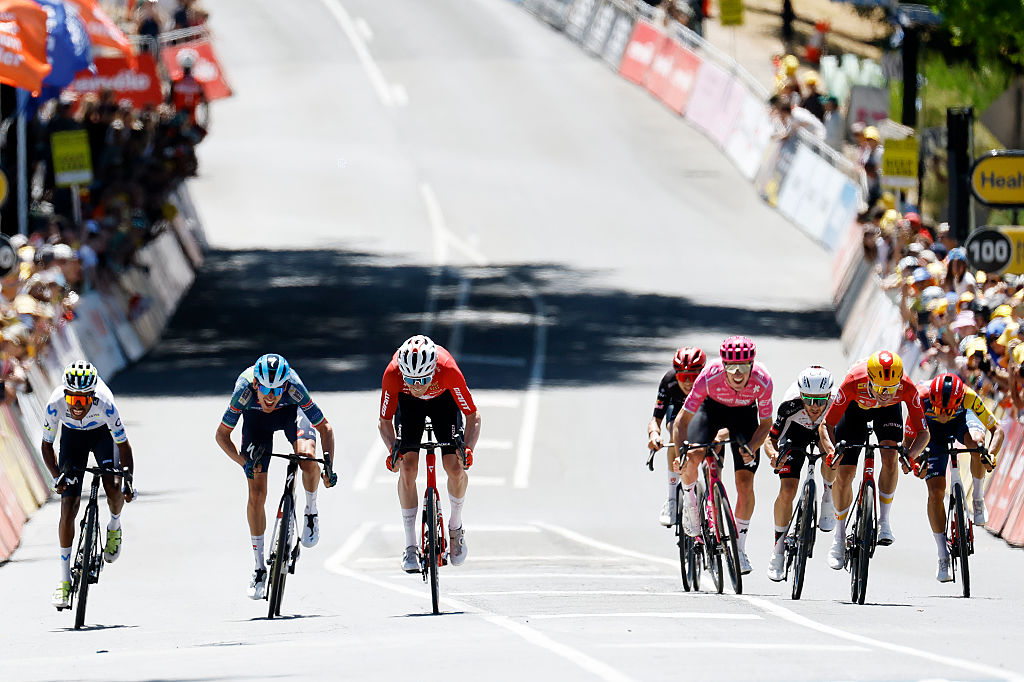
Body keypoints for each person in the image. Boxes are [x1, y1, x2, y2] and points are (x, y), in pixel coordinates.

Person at [215, 353, 337, 600]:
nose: (271, 397)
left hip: (291, 415)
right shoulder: (244, 390)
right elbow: (221, 436)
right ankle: (259, 569)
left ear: (285, 385)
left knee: (306, 456)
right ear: (256, 385)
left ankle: (311, 511)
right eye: (266, 391)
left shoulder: (294, 387)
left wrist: (328, 467)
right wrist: (243, 463)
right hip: (256, 423)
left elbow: (325, 428)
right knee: (257, 491)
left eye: (277, 390)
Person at [670, 336, 773, 574]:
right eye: (732, 367)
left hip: (745, 416)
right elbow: (681, 422)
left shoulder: (763, 380)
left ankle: (738, 549)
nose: (738, 374)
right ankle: (690, 504)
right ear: (723, 365)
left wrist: (752, 448)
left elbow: (766, 424)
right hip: (711, 411)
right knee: (693, 455)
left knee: (745, 482)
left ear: (752, 364)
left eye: (744, 367)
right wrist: (680, 453)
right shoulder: (709, 375)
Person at [819, 351, 930, 570]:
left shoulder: (906, 387)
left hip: (887, 415)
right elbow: (826, 425)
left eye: (891, 389)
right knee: (845, 474)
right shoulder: (853, 381)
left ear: (899, 382)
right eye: (880, 389)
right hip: (854, 412)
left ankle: (884, 522)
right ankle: (839, 537)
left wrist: (911, 455)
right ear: (870, 380)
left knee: (890, 457)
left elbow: (923, 433)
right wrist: (831, 452)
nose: (885, 394)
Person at [378, 335, 481, 573]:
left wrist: (468, 449)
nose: (417, 386)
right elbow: (384, 421)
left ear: (432, 370)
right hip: (409, 407)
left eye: (423, 379)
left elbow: (473, 416)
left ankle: (455, 528)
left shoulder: (447, 368)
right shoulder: (393, 373)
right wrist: (393, 450)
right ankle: (410, 545)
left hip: (443, 402)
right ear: (402, 372)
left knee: (454, 467)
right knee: (407, 467)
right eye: (411, 380)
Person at [42, 362, 135, 609]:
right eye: (73, 399)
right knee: (68, 507)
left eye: (85, 400)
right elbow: (46, 446)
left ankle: (114, 527)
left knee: (113, 486)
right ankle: (63, 581)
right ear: (66, 394)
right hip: (72, 439)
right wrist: (56, 476)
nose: (78, 405)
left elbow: (124, 446)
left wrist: (128, 480)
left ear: (93, 395)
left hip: (102, 435)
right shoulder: (55, 403)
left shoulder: (105, 402)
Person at [903, 373, 1001, 581]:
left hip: (962, 424)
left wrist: (990, 454)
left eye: (949, 410)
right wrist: (914, 464)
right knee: (936, 492)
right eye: (940, 410)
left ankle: (977, 498)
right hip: (931, 433)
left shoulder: (969, 396)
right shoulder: (920, 398)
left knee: (977, 443)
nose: (945, 414)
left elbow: (997, 429)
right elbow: (907, 445)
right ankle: (942, 555)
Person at [765, 366, 836, 582]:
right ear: (801, 395)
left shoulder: (836, 403)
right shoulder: (790, 405)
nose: (815, 407)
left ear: (829, 395)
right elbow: (771, 440)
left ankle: (828, 496)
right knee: (787, 491)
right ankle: (777, 551)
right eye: (809, 400)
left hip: (826, 430)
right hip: (796, 434)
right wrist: (774, 455)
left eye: (821, 400)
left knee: (832, 458)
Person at [647, 347, 707, 526]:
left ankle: (712, 496)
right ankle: (672, 499)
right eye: (683, 377)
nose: (688, 383)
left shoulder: (710, 381)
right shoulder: (669, 381)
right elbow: (655, 419)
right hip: (678, 410)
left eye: (693, 377)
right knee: (675, 431)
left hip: (703, 411)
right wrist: (654, 435)